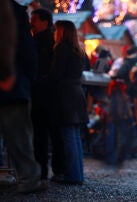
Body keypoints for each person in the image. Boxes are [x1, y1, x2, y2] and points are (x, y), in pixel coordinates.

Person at [0, 0, 47, 193]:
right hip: (12, 81)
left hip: (11, 80)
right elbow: (17, 44)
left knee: (16, 132)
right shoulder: (11, 10)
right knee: (18, 133)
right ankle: (29, 178)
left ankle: (28, 177)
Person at [49, 20, 89, 185]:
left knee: (68, 135)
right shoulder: (78, 50)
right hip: (77, 93)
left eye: (56, 29)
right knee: (75, 136)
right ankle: (77, 174)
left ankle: (73, 176)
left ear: (62, 31)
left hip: (65, 94)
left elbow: (56, 74)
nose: (54, 32)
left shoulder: (61, 48)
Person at [30, 7, 65, 181]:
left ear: (44, 21)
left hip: (44, 93)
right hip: (48, 93)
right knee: (50, 133)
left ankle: (45, 169)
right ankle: (53, 169)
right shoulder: (52, 40)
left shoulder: (47, 41)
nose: (31, 23)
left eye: (34, 19)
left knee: (44, 133)